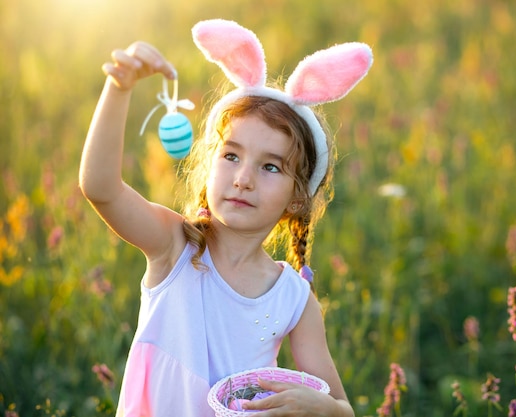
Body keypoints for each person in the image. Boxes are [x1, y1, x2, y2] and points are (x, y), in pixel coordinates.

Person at [79, 19, 372, 417]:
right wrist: (119, 88)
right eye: (231, 156)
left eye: (271, 167)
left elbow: (344, 409)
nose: (244, 179)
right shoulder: (175, 246)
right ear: (209, 166)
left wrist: (322, 408)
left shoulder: (294, 299)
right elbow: (101, 188)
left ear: (297, 198)